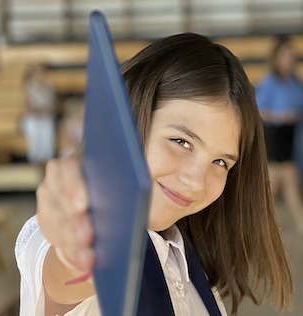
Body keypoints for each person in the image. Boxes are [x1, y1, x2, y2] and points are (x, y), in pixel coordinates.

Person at [15, 33, 293, 316]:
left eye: (221, 162)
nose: (196, 181)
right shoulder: (56, 240)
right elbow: (71, 271)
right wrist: (82, 241)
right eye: (181, 142)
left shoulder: (186, 261)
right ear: (130, 118)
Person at [255, 37, 303, 233]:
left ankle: (263, 227)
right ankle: (260, 228)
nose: (289, 58)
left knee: (287, 181)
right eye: (285, 54)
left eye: (291, 55)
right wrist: (281, 116)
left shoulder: (294, 82)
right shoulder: (269, 82)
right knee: (280, 181)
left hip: (291, 136)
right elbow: (258, 111)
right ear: (276, 57)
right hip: (274, 136)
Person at [20, 64, 57, 164]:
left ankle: (47, 158)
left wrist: (43, 112)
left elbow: (53, 106)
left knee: (48, 125)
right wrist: (38, 112)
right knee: (33, 126)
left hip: (45, 117)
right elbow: (27, 108)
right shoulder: (27, 87)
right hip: (32, 118)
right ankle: (34, 159)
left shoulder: (49, 87)